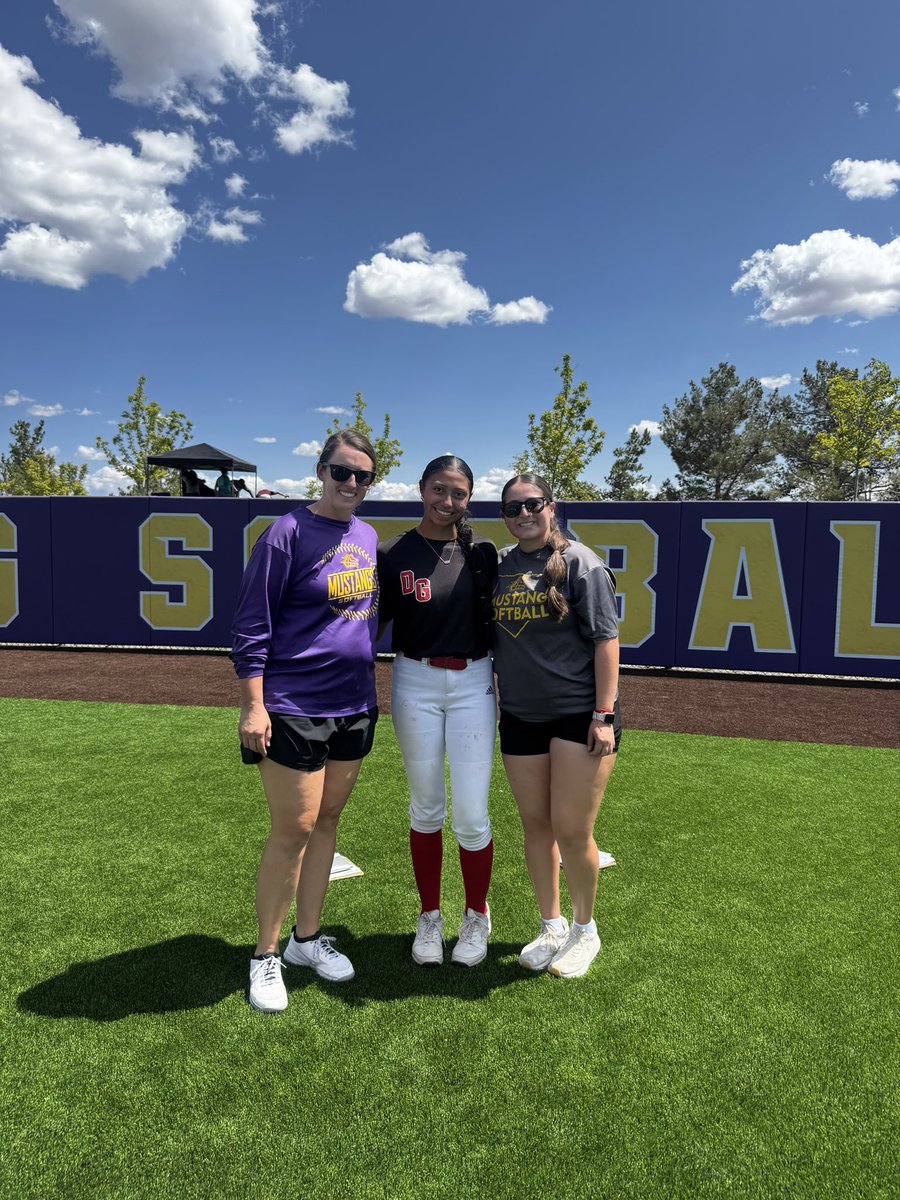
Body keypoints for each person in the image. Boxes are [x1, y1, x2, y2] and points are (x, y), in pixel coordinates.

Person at [231, 430, 380, 1012]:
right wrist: (253, 703)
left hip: (354, 704)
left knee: (327, 823)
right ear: (320, 472)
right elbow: (251, 625)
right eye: (341, 472)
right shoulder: (285, 533)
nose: (350, 484)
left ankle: (306, 941)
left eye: (361, 476)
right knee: (293, 828)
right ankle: (265, 956)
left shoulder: (365, 535)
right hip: (293, 705)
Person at [492, 474, 621, 979]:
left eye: (532, 504)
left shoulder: (580, 563)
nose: (523, 514)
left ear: (552, 506)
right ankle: (551, 924)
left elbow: (606, 641)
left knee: (572, 829)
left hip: (578, 716)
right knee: (536, 827)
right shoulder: (500, 566)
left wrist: (604, 715)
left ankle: (585, 929)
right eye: (512, 508)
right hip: (520, 715)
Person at [378, 455, 498, 967]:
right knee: (426, 807)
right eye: (438, 490)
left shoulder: (484, 553)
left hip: (473, 681)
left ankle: (476, 914)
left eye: (458, 494)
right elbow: (362, 624)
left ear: (469, 498)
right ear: (421, 488)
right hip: (414, 679)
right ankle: (430, 916)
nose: (447, 502)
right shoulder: (393, 552)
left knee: (471, 815)